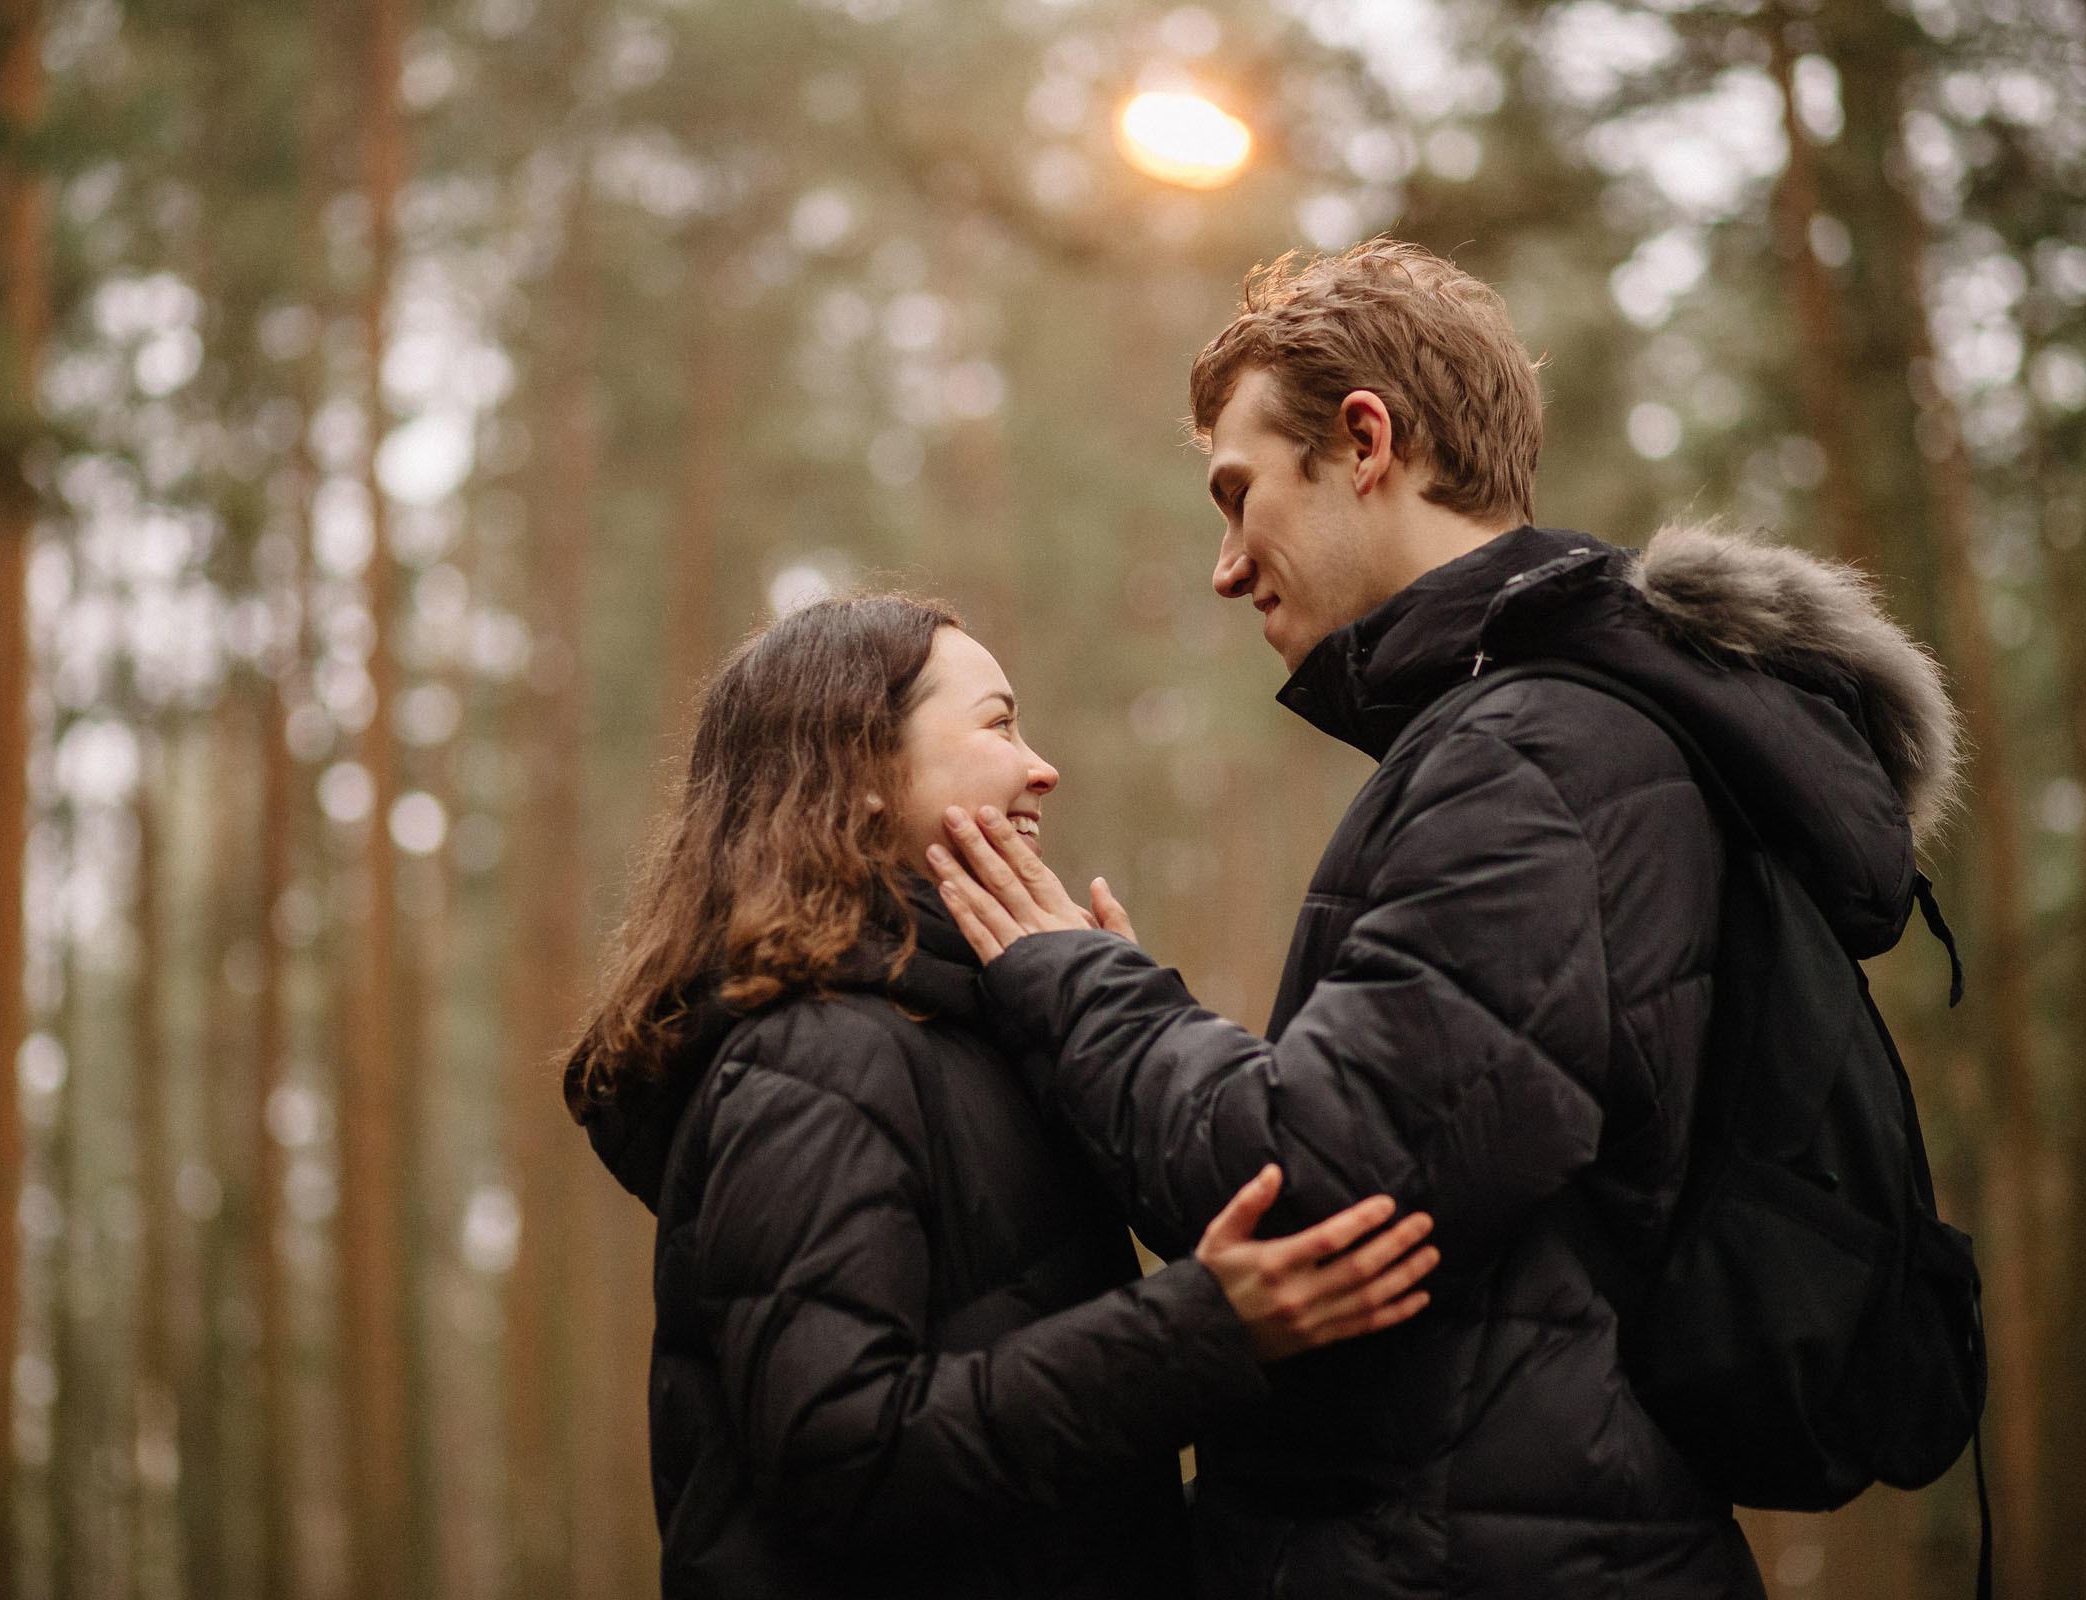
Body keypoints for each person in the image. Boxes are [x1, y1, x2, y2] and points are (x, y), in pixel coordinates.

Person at [928, 240, 1962, 1600]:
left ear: (1366, 441)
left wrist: (1078, 987)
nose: (1227, 569)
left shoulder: (1535, 754)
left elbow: (1314, 1195)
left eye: (1240, 499)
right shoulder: (1557, 741)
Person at [566, 594, 1443, 1600]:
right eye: (998, 722)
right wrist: (1200, 1330)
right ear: (858, 775)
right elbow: (840, 1452)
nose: (1042, 765)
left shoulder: (961, 1036)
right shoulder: (817, 1055)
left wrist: (1102, 1012)